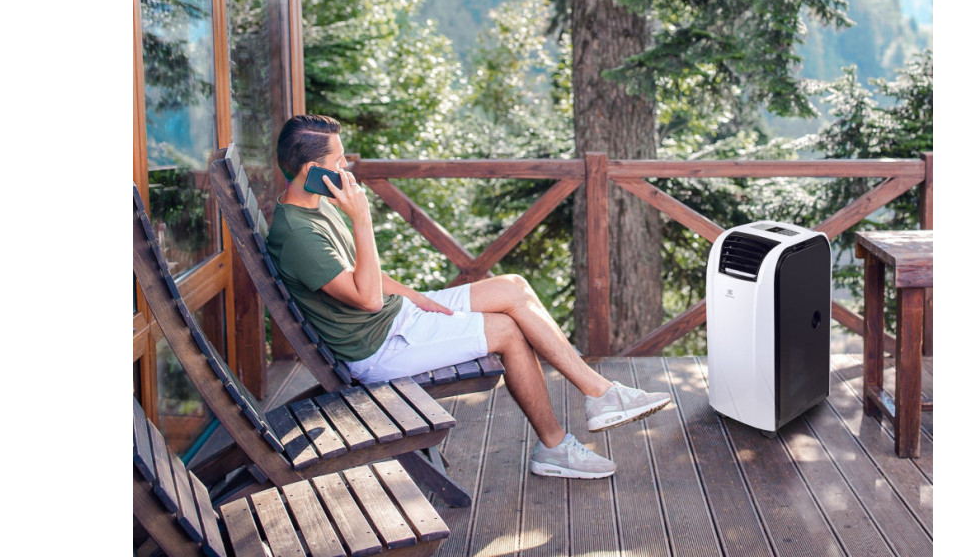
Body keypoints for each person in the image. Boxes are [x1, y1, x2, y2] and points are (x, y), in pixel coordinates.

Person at [266, 114, 671, 479]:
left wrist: (415, 296)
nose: (347, 169)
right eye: (339, 161)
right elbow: (368, 299)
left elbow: (361, 272)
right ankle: (556, 446)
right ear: (313, 171)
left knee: (513, 285)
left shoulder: (317, 205)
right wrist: (362, 219)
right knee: (508, 331)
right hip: (379, 345)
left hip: (398, 316)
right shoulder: (300, 235)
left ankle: (600, 394)